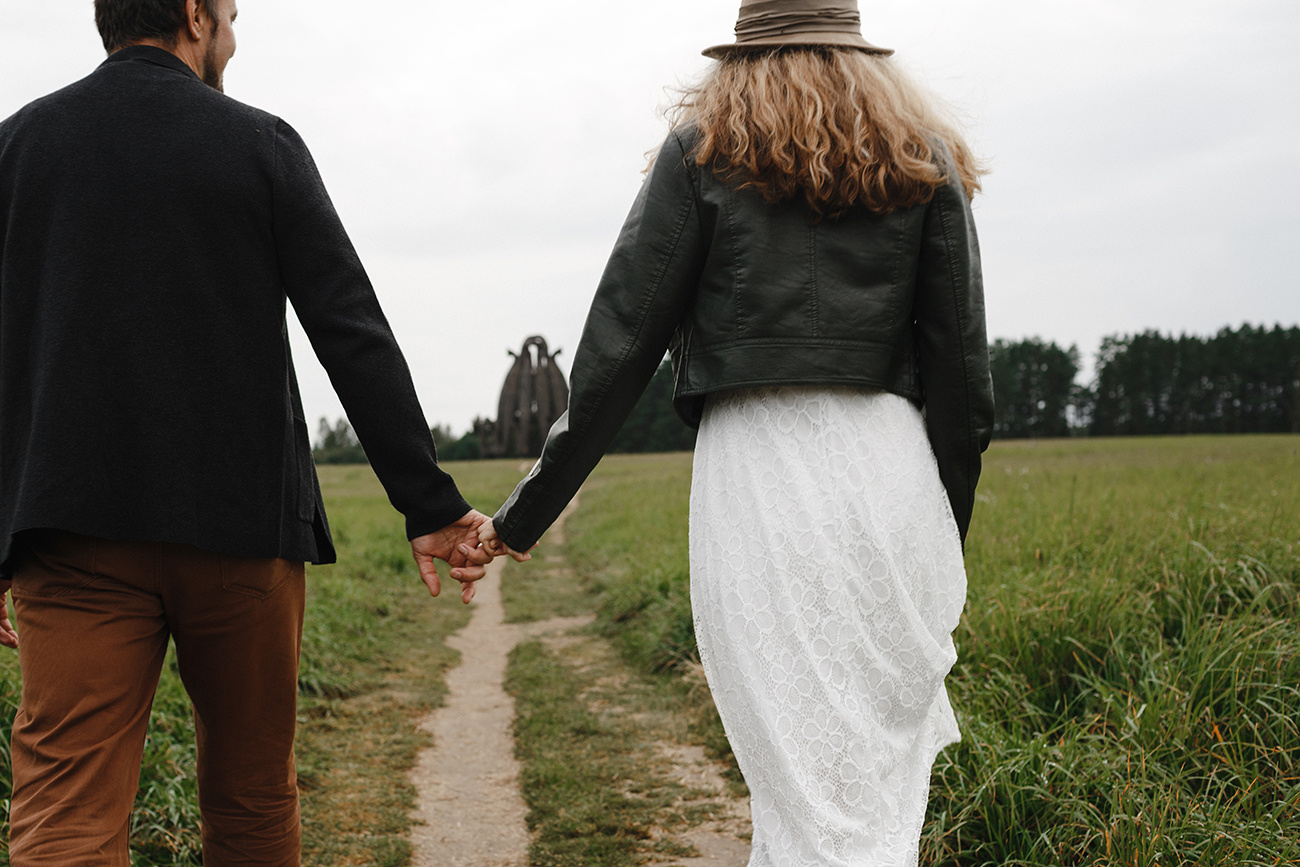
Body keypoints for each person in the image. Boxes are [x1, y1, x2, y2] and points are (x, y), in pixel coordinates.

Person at [481, 0, 993, 863]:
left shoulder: (701, 151)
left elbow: (618, 351)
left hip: (758, 478)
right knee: (864, 780)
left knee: (797, 779)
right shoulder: (922, 156)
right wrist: (945, 531)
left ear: (742, 52)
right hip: (891, 475)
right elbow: (962, 380)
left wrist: (522, 516)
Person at [0, 0, 506, 863]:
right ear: (194, 14)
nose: (233, 36)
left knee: (65, 812)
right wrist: (427, 502)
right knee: (250, 799)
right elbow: (349, 326)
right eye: (231, 15)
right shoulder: (260, 144)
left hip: (69, 535)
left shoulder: (17, 148)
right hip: (241, 532)